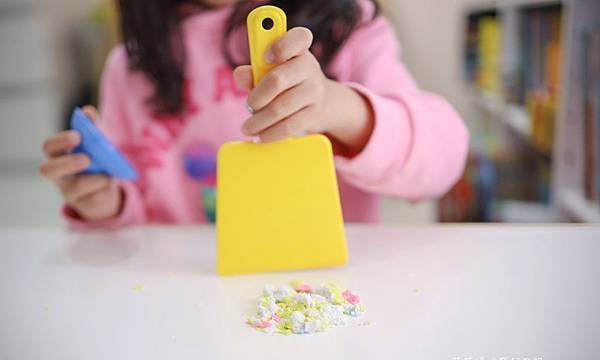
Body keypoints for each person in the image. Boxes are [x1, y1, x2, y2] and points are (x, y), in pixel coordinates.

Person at [40, 0, 469, 227]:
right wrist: (106, 204)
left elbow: (444, 159)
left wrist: (338, 107)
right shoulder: (130, 68)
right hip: (185, 310)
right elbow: (135, 212)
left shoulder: (348, 29)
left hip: (324, 299)